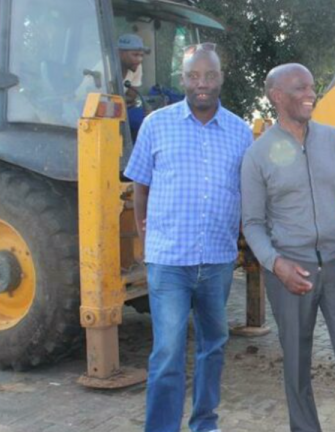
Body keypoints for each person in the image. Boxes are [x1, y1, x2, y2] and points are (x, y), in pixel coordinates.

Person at [241, 63, 335, 432]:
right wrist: (276, 264)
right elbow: (253, 224)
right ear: (277, 97)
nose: (311, 94)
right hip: (292, 273)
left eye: (312, 87)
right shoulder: (258, 155)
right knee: (296, 365)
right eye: (300, 89)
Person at [124, 44, 252, 432]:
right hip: (170, 262)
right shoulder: (155, 125)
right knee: (167, 353)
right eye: (194, 76)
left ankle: (204, 425)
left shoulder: (241, 132)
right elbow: (139, 187)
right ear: (183, 80)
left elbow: (248, 192)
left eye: (209, 76)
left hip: (216, 260)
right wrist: (146, 230)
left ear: (220, 80)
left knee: (213, 346)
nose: (202, 84)